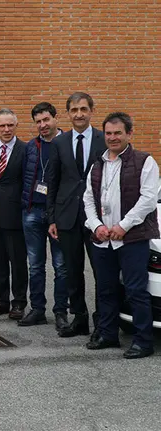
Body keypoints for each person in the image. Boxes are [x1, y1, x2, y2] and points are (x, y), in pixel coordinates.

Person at [83, 112, 158, 359]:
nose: (113, 138)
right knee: (106, 289)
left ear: (129, 134)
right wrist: (96, 226)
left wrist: (124, 226)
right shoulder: (97, 164)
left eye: (118, 133)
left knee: (136, 290)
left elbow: (148, 200)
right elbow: (88, 199)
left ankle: (143, 341)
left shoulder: (144, 161)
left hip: (132, 239)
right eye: (108, 133)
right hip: (103, 239)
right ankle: (107, 334)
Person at [46, 92, 106, 338]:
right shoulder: (59, 143)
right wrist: (52, 218)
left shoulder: (105, 140)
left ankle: (102, 321)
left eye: (83, 109)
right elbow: (53, 181)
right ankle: (79, 318)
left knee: (102, 272)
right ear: (68, 113)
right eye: (74, 110)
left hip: (98, 219)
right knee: (72, 270)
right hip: (67, 217)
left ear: (91, 111)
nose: (79, 114)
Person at [19, 102, 68, 328]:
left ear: (56, 118)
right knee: (35, 265)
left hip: (58, 215)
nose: (42, 125)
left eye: (46, 120)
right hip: (33, 211)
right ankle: (37, 309)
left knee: (61, 265)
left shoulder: (66, 144)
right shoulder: (31, 147)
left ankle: (61, 311)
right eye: (38, 122)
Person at [0, 109, 28, 320]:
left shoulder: (25, 150)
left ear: (16, 126)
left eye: (10, 125)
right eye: (2, 126)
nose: (6, 129)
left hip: (15, 216)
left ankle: (18, 303)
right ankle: (1, 301)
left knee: (17, 263)